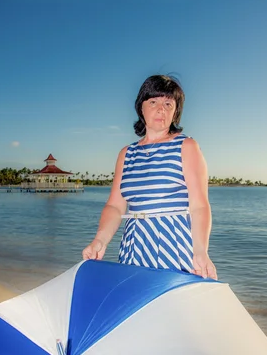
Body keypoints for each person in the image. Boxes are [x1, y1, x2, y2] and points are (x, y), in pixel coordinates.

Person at [82, 74, 217, 279]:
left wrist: (200, 251)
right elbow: (115, 206)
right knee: (135, 302)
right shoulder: (126, 154)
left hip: (175, 245)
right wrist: (100, 241)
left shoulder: (186, 146)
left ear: (176, 111)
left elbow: (199, 205)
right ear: (141, 107)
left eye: (168, 103)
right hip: (134, 244)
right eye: (153, 101)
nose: (161, 109)